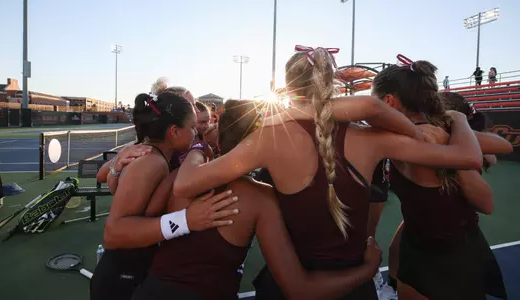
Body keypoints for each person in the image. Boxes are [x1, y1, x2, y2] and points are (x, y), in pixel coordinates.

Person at [172, 46, 483, 299]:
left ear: (288, 86)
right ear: (333, 83)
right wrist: (457, 119)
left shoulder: (268, 137)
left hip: (292, 284)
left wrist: (197, 148)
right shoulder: (371, 138)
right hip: (354, 285)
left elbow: (185, 185)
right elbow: (469, 157)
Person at [131, 100, 383, 300]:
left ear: (219, 140)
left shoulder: (179, 177)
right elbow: (301, 290)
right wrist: (367, 270)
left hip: (150, 291)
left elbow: (138, 225)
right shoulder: (261, 197)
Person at [370, 61, 510, 300]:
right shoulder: (438, 132)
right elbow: (501, 146)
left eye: (374, 101)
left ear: (389, 102)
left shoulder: (422, 137)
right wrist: (457, 122)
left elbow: (487, 197)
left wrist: (458, 121)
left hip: (445, 258)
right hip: (433, 247)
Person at [90, 92, 238, 300]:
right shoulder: (151, 162)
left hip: (136, 269)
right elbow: (113, 234)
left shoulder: (160, 157)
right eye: (193, 127)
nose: (196, 133)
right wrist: (186, 220)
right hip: (123, 277)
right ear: (175, 132)